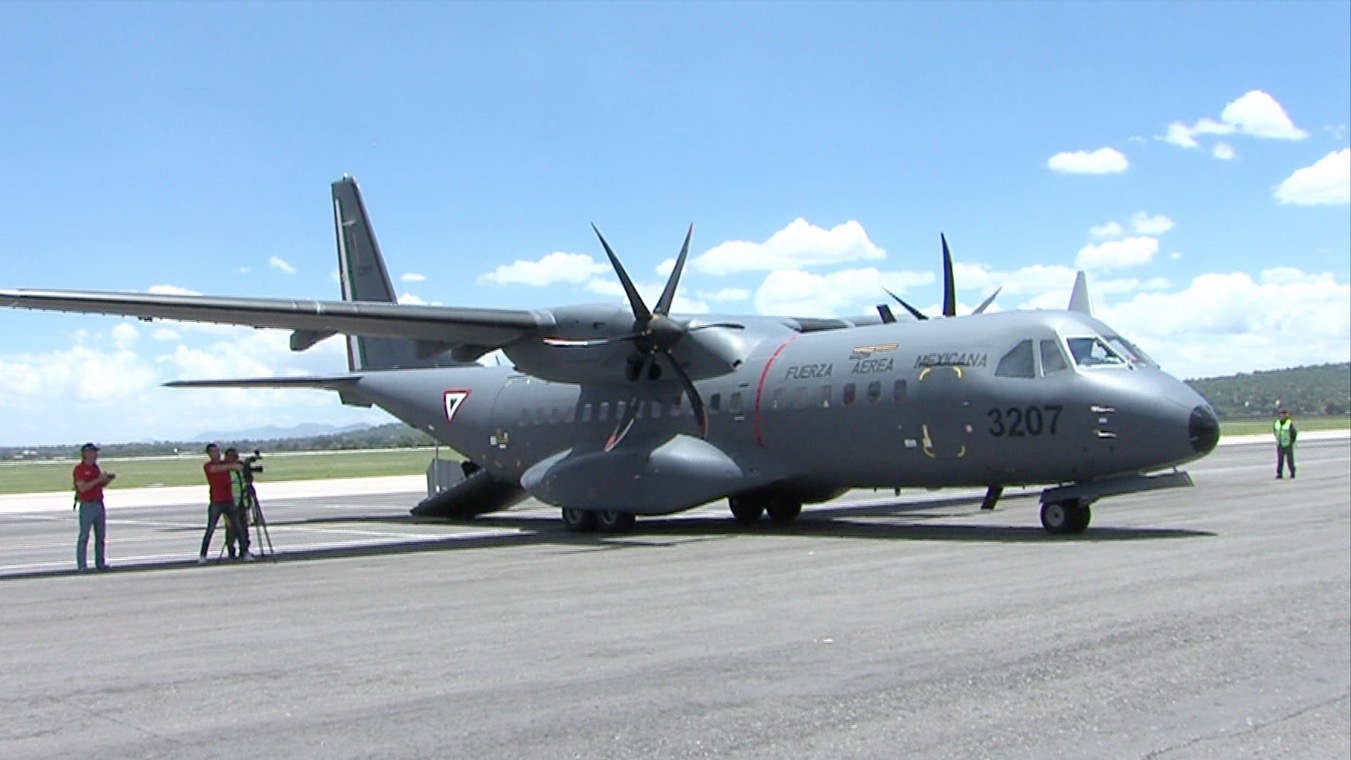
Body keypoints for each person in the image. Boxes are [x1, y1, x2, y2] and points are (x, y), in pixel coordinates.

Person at [198, 443, 252, 563]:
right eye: (213, 452)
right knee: (210, 529)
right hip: (216, 502)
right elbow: (216, 469)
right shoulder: (208, 466)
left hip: (229, 501)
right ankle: (203, 555)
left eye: (217, 451)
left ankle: (245, 551)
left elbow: (236, 466)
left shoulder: (225, 464)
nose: (216, 453)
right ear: (209, 454)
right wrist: (232, 465)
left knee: (238, 527)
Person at [72, 442, 115, 572]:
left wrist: (106, 480)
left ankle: (100, 562)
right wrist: (98, 480)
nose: (96, 455)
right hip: (87, 505)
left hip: (98, 503)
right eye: (93, 452)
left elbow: (98, 485)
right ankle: (82, 565)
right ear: (86, 454)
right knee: (84, 536)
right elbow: (82, 487)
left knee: (100, 536)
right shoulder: (79, 469)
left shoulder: (95, 468)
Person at [223, 448, 251, 559]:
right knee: (231, 529)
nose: (234, 459)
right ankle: (231, 551)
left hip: (242, 503)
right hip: (230, 503)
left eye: (235, 456)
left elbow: (247, 482)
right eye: (231, 456)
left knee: (244, 528)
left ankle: (244, 550)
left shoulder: (240, 468)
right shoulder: (225, 469)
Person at [1273, 409, 1297, 479]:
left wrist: (1292, 441)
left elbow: (1294, 432)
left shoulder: (1289, 423)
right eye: (1280, 415)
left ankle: (1292, 472)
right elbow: (1275, 431)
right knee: (1280, 460)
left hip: (1288, 444)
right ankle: (1279, 473)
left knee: (1290, 460)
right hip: (1280, 444)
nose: (1281, 416)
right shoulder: (1277, 423)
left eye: (1282, 415)